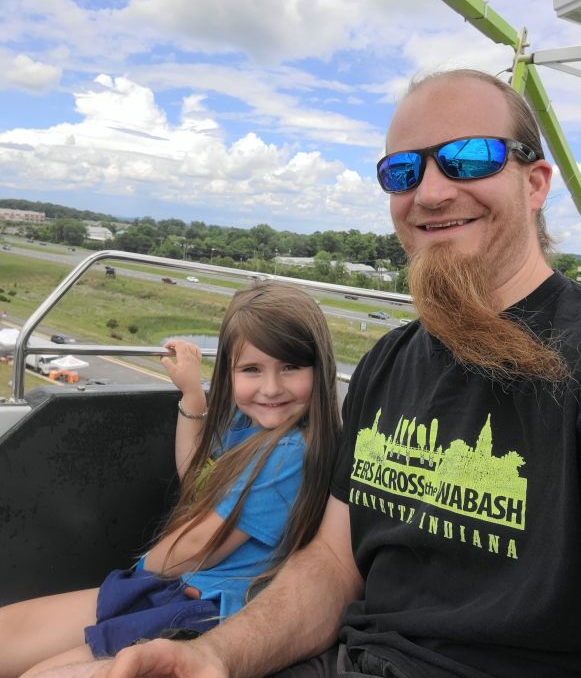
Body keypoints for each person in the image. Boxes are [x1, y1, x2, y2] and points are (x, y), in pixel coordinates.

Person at [33, 68, 581, 678]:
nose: (430, 193)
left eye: (469, 158)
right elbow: (332, 564)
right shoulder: (389, 361)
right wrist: (212, 656)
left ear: (536, 182)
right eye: (403, 171)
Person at [0, 281, 340, 678]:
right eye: (252, 369)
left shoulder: (290, 452)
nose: (271, 388)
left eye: (291, 367)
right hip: (174, 586)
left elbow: (198, 546)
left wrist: (142, 572)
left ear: (320, 368)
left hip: (199, 607)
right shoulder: (248, 427)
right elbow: (196, 479)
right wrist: (192, 394)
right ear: (230, 374)